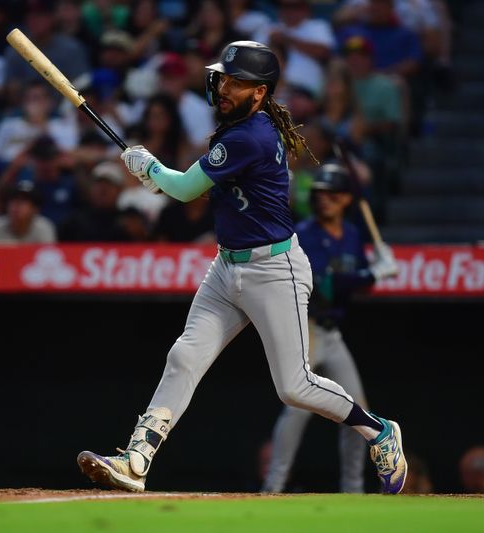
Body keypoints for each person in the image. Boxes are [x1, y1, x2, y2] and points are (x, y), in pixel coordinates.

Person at [77, 41, 407, 494]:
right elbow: (206, 189)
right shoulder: (241, 130)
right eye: (225, 78)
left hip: (275, 271)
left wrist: (149, 166)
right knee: (184, 355)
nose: (225, 87)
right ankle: (137, 460)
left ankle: (379, 430)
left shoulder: (248, 135)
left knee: (294, 387)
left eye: (238, 82)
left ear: (260, 93)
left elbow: (185, 187)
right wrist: (161, 179)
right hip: (226, 266)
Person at [262, 163, 398, 494]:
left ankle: (353, 488)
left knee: (357, 410)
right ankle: (274, 486)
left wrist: (377, 263)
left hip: (332, 333)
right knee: (297, 409)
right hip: (305, 326)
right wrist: (376, 274)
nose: (324, 201)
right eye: (320, 194)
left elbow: (357, 281)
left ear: (345, 200)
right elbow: (327, 284)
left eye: (332, 195)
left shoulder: (352, 234)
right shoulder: (305, 234)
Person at [0, 180, 55, 244]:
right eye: (13, 201)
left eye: (22, 202)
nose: (16, 206)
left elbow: (49, 256)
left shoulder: (44, 227)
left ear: (35, 209)